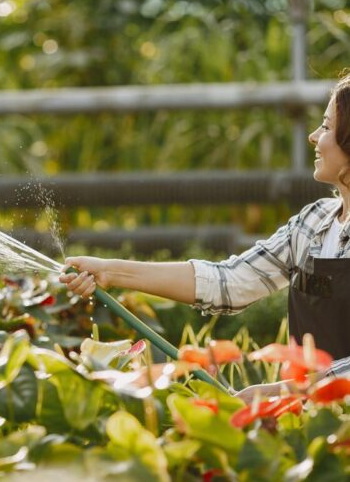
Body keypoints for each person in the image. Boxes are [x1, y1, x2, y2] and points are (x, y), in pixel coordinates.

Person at [59, 72, 350, 400]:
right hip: (312, 430)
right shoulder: (313, 223)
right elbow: (229, 283)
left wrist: (279, 394)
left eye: (326, 127)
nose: (313, 136)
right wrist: (110, 271)